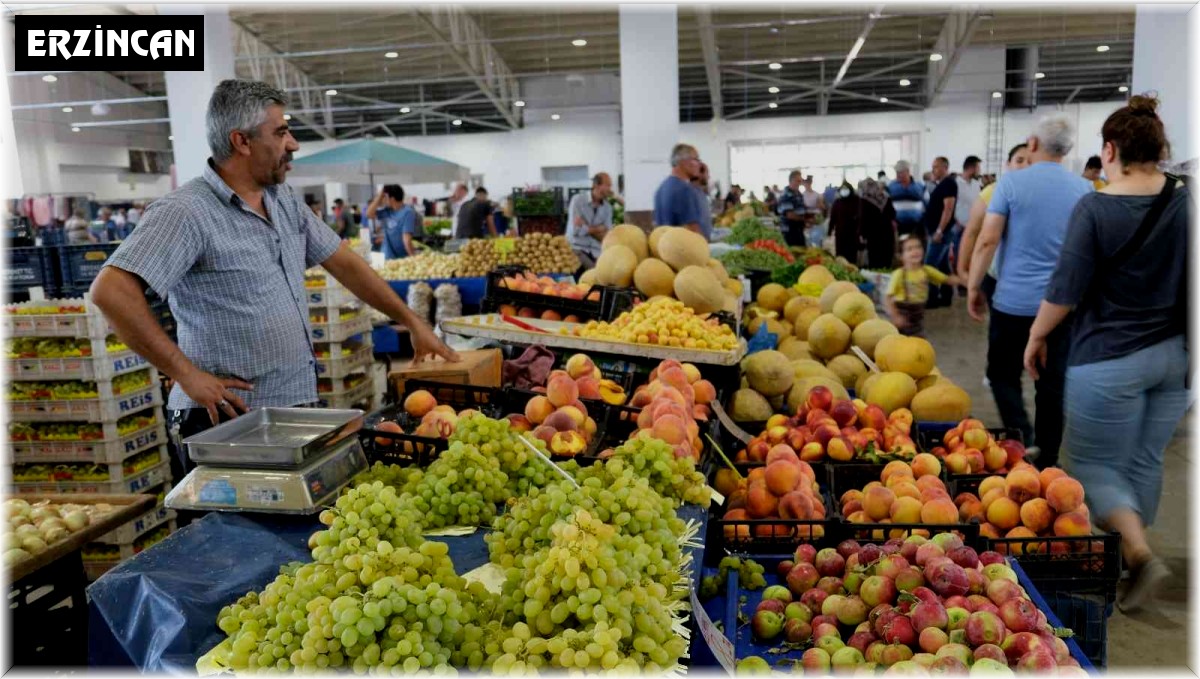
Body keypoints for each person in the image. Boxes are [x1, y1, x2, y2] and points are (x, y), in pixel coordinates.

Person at [89, 79, 458, 483]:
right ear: (242, 142)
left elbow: (344, 263)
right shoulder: (187, 212)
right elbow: (111, 291)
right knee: (235, 527)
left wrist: (412, 321)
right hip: (226, 423)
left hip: (293, 411)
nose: (293, 143)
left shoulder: (282, 201)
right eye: (281, 132)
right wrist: (186, 374)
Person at [1023, 96, 1189, 611]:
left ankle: (1138, 555)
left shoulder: (1096, 208)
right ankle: (1129, 553)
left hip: (1108, 359)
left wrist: (1036, 335)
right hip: (1175, 358)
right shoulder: (1186, 201)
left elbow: (1065, 289)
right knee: (1144, 459)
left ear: (1110, 150)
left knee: (1092, 466)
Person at [966, 113, 1093, 469]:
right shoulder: (1084, 190)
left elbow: (987, 239)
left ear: (1033, 143)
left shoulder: (1010, 184)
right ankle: (1048, 456)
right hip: (1060, 307)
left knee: (1002, 375)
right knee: (1052, 383)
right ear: (1066, 150)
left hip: (1013, 304)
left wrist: (974, 286)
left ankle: (1021, 440)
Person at [957, 144, 1031, 306]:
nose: (1025, 166)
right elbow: (972, 232)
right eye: (1019, 161)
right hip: (998, 276)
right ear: (1008, 164)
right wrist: (963, 270)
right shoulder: (992, 192)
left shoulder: (1042, 195)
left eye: (1031, 162)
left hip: (1032, 280)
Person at [886, 234, 962, 337]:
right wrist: (895, 316)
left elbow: (947, 279)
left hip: (918, 317)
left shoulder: (926, 270)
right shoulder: (899, 274)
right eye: (909, 249)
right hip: (902, 316)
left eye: (918, 247)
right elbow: (888, 297)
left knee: (918, 340)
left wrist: (966, 280)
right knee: (900, 341)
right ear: (901, 256)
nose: (915, 251)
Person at [922, 156, 959, 308]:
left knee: (929, 266)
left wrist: (939, 231)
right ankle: (946, 296)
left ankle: (932, 298)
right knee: (943, 266)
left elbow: (948, 209)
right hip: (938, 231)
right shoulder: (941, 184)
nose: (933, 170)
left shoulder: (949, 183)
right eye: (932, 167)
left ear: (945, 167)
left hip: (941, 232)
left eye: (936, 167)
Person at [652, 143, 703, 234]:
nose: (700, 164)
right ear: (684, 162)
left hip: (663, 241)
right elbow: (693, 230)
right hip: (682, 242)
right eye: (696, 159)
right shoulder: (685, 189)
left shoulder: (661, 189)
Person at [567, 172, 614, 268]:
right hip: (577, 248)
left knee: (607, 270)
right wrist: (599, 229)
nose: (610, 189)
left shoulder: (608, 208)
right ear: (596, 185)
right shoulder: (578, 201)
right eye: (608, 185)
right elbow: (575, 231)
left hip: (596, 251)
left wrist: (585, 226)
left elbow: (606, 236)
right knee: (595, 272)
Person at [367, 185, 417, 260]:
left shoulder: (407, 212)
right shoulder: (387, 211)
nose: (383, 200)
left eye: (385, 197)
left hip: (401, 258)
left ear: (392, 199)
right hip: (386, 256)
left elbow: (406, 240)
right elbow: (369, 214)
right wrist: (379, 196)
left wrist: (414, 258)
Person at [857, 178, 897, 269]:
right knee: (886, 259)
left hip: (873, 235)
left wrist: (861, 234)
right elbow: (893, 213)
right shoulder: (885, 196)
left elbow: (863, 218)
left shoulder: (865, 199)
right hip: (887, 233)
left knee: (875, 261)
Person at [887, 160, 925, 237]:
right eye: (896, 172)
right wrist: (890, 220)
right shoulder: (891, 186)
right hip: (897, 225)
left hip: (917, 225)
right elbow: (887, 206)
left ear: (908, 171)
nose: (897, 175)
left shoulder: (920, 186)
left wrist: (924, 221)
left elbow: (927, 205)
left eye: (900, 172)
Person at [776, 170, 807, 247]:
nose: (800, 183)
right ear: (791, 181)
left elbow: (800, 208)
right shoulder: (786, 195)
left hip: (798, 230)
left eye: (800, 181)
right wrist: (805, 219)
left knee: (802, 251)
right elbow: (790, 215)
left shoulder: (798, 194)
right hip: (789, 231)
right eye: (798, 181)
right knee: (793, 251)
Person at [692, 162, 714, 241]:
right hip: (698, 241)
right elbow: (691, 222)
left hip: (705, 239)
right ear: (699, 174)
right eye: (707, 173)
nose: (709, 176)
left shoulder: (700, 192)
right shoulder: (691, 193)